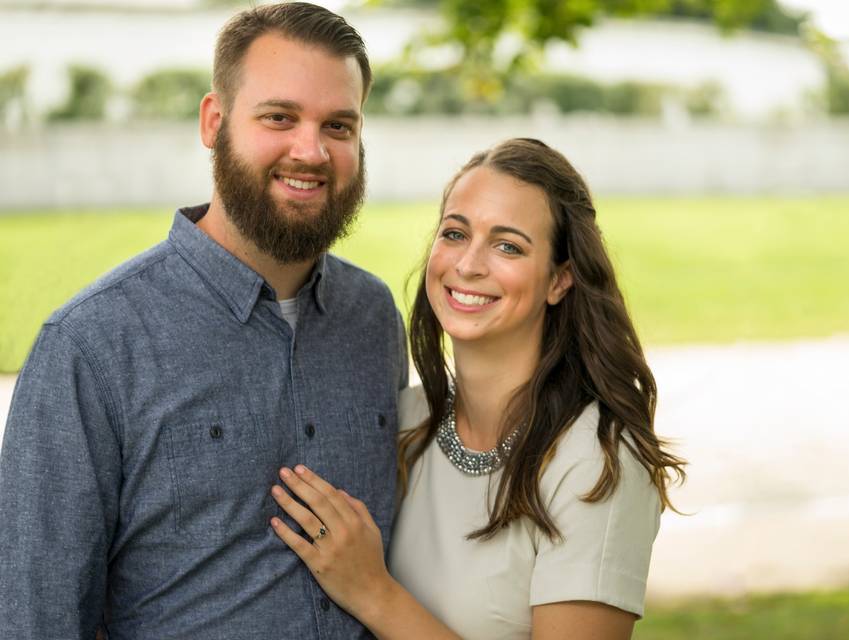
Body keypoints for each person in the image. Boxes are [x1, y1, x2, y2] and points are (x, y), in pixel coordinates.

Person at [0, 3, 406, 638]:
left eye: (339, 125)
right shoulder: (91, 345)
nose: (312, 150)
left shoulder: (375, 317)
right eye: (280, 117)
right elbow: (36, 616)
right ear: (214, 122)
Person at [269, 138, 686, 639]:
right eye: (454, 233)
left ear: (560, 280)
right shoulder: (406, 422)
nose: (468, 265)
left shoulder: (595, 463)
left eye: (508, 245)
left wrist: (374, 593)